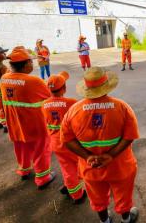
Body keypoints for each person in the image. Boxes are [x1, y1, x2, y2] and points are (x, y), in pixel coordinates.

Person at [62, 67, 139, 223]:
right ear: (107, 86)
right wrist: (110, 156)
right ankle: (126, 218)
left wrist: (88, 156)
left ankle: (104, 221)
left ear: (86, 88)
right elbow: (130, 136)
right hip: (120, 165)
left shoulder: (73, 111)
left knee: (97, 197)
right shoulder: (122, 107)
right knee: (123, 193)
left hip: (91, 167)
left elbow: (67, 140)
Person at [1, 47, 56, 188]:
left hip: (14, 122)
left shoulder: (4, 78)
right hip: (33, 122)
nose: (33, 64)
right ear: (25, 65)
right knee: (40, 148)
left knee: (21, 146)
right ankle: (43, 178)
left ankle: (24, 170)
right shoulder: (33, 81)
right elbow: (51, 97)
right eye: (31, 62)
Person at [42, 71, 87, 203]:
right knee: (75, 167)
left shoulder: (44, 104)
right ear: (64, 88)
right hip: (71, 142)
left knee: (66, 166)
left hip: (55, 142)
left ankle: (69, 186)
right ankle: (77, 195)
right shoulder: (72, 102)